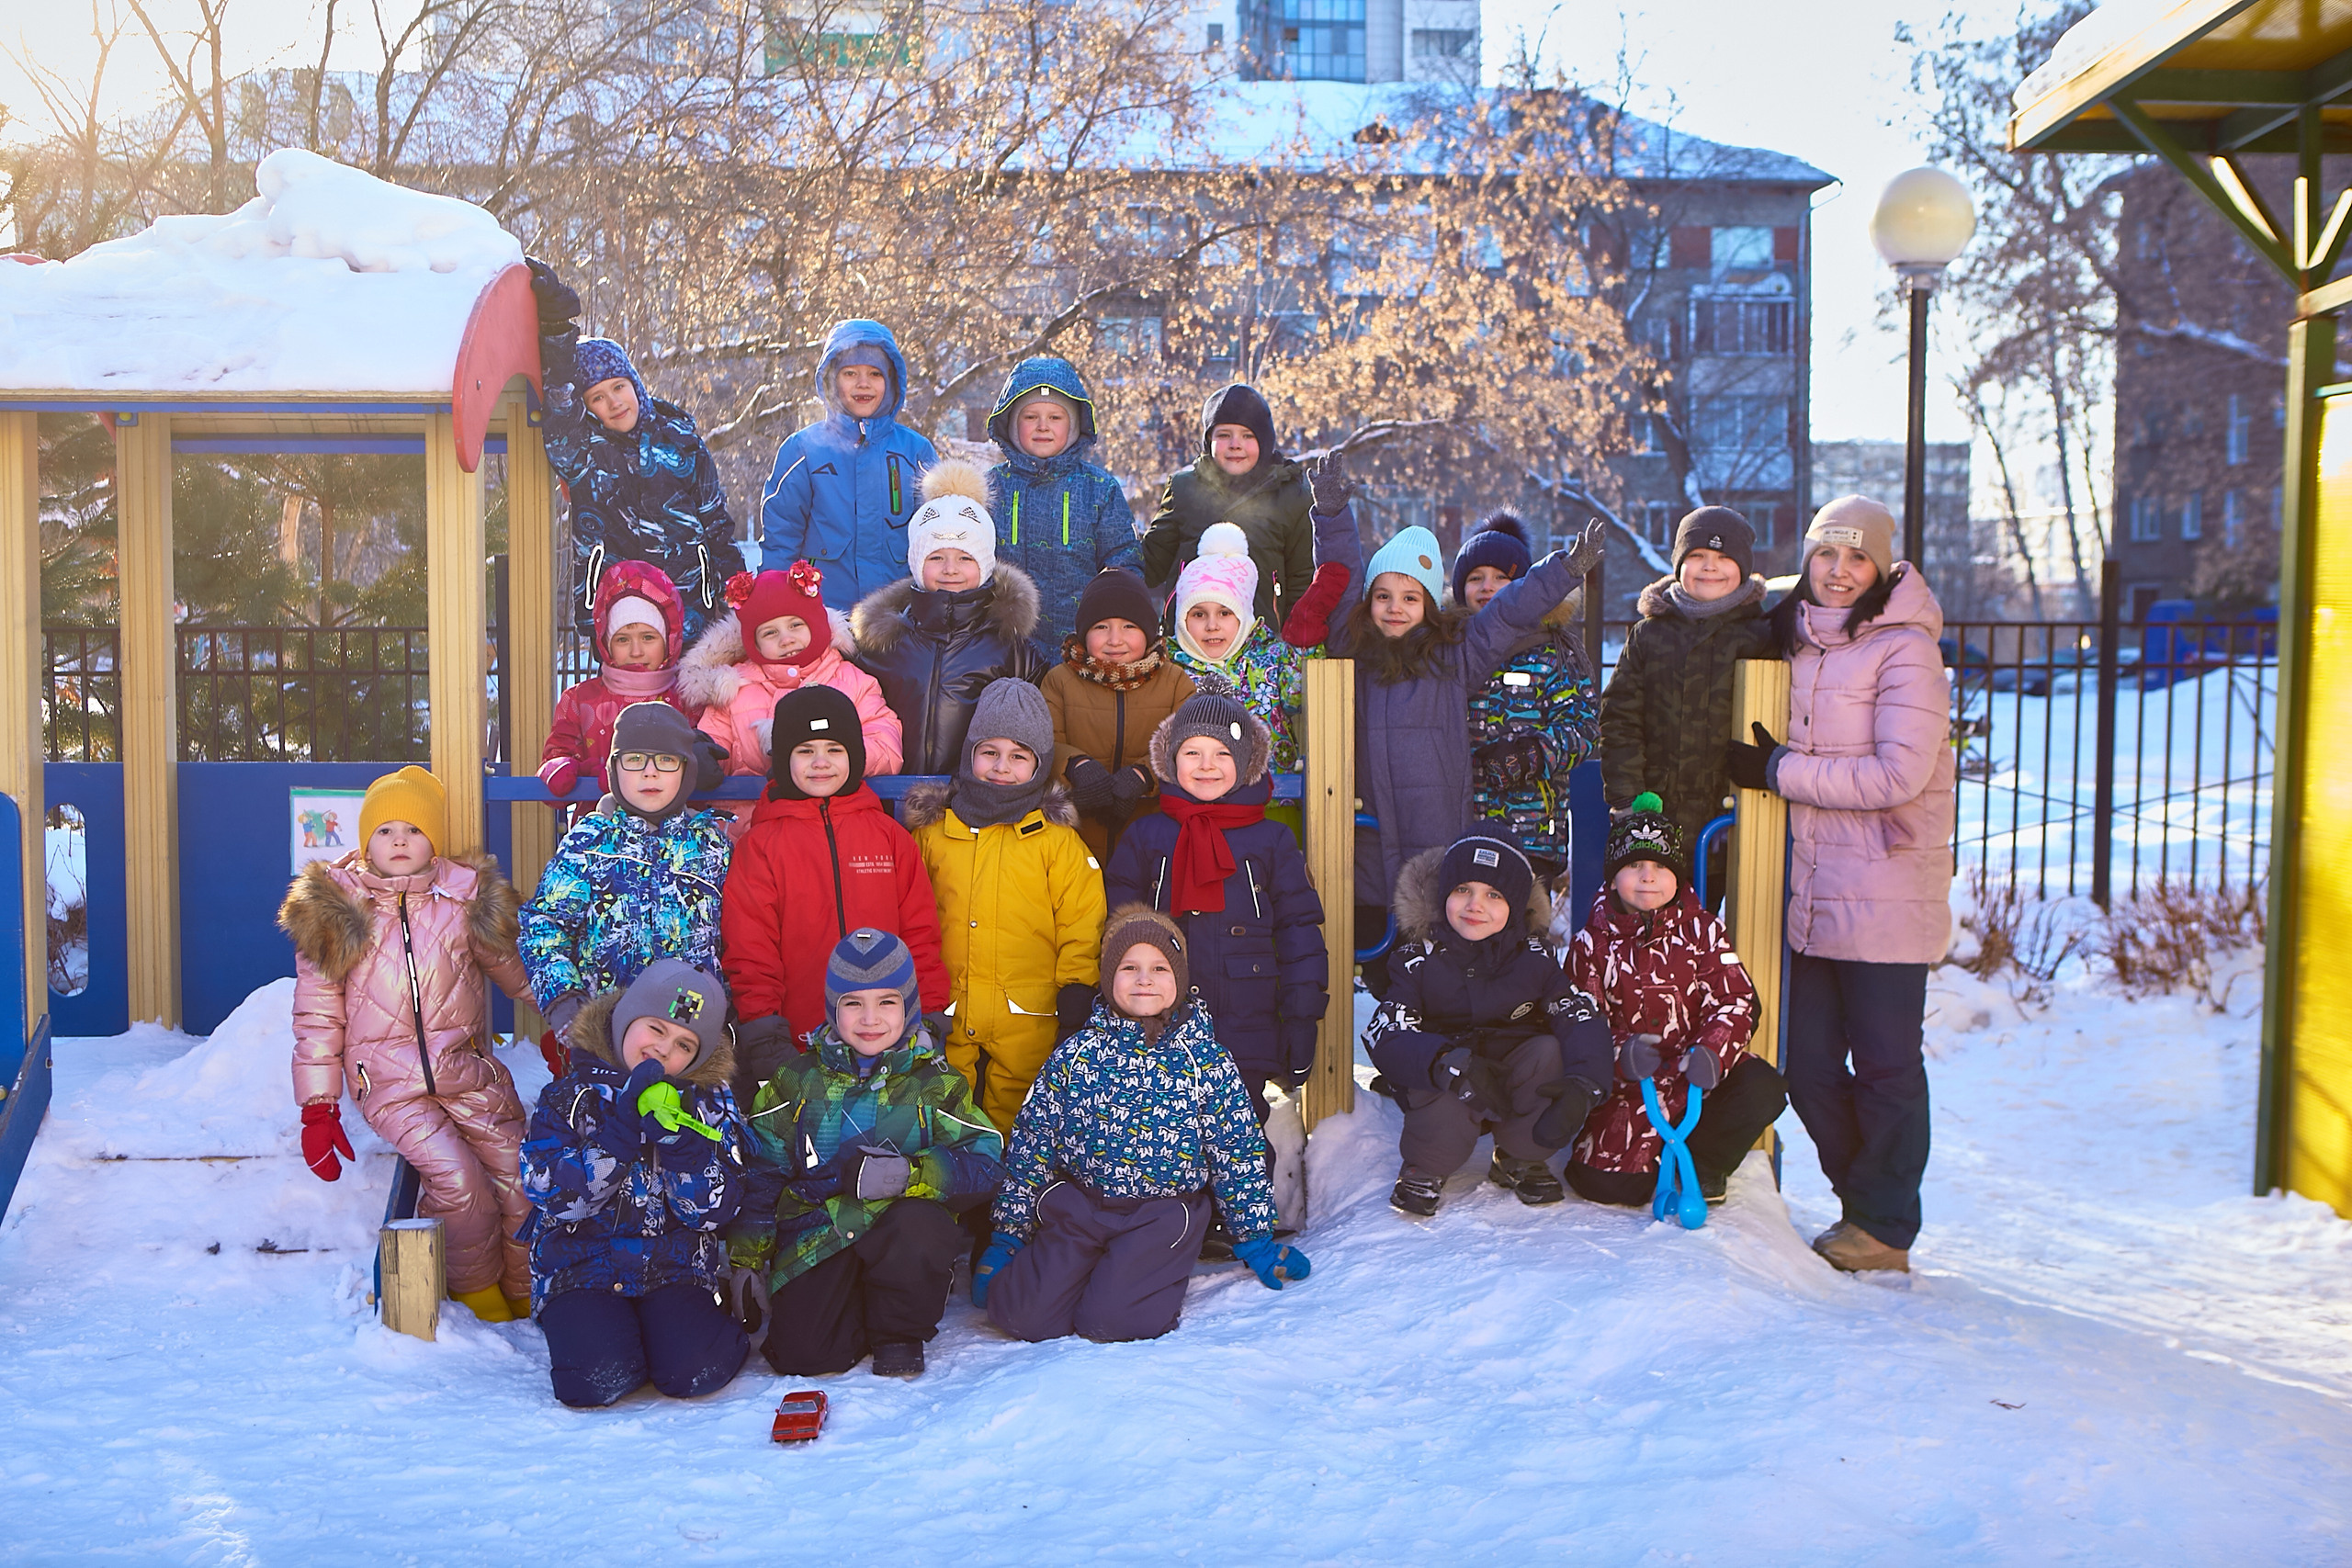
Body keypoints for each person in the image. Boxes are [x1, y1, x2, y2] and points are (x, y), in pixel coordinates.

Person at [1725, 496, 1954, 1274]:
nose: (1838, 570)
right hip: (1813, 887)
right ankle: (1865, 1202)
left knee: (1887, 1063)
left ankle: (1884, 1223)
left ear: (1882, 568)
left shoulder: (1905, 651)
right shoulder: (1793, 640)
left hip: (1887, 884)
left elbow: (1900, 773)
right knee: (1809, 1060)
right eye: (1826, 553)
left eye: (1856, 558)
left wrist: (1778, 772)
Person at [974, 908, 1311, 1343]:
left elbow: (1238, 1155)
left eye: (1159, 968)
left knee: (1111, 1322)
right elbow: (1033, 1141)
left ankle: (1123, 1278)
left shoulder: (1205, 1061)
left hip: (1163, 1215)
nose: (1144, 979)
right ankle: (1081, 1270)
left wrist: (1255, 1239)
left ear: (1180, 979)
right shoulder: (1077, 1055)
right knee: (1021, 1317)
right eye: (1129, 968)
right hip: (1082, 1206)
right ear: (1109, 978)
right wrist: (1007, 1237)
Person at [279, 766, 536, 1322]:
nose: (400, 840)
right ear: (364, 841)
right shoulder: (339, 910)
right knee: (459, 1184)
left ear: (434, 842)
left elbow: (515, 970)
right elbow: (317, 1013)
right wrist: (318, 1107)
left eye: (414, 830)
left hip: (464, 1069)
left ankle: (524, 1286)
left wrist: (564, 1025)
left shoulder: (465, 899)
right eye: (385, 830)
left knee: (521, 1175)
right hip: (389, 1085)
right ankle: (475, 1289)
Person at [1328, 491, 1602, 995]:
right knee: (1378, 961)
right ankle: (1394, 1054)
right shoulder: (1358, 655)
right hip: (1371, 838)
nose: (1394, 608)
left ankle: (1436, 1060)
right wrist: (1330, 515)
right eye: (1383, 596)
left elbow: (1509, 613)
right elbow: (1341, 579)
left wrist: (1562, 571)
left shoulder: (1454, 658)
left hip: (1436, 839)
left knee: (1438, 965)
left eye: (1410, 598)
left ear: (1431, 606)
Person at [731, 929, 1005, 1380]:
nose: (870, 1019)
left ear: (909, 1007)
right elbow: (763, 1173)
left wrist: (913, 1174)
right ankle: (848, 1309)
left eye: (887, 1002)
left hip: (900, 1235)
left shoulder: (935, 1083)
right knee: (805, 1357)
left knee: (920, 1227)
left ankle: (899, 1328)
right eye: (853, 1004)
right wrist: (746, 1261)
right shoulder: (795, 1082)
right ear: (832, 1009)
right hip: (819, 1235)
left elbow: (987, 1163)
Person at [518, 961, 749, 1407]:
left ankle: (673, 1338)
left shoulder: (706, 1108)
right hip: (582, 1271)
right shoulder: (570, 1097)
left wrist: (684, 1149)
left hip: (673, 1269)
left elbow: (719, 1210)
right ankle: (612, 1339)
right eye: (655, 1028)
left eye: (684, 1044)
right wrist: (617, 1138)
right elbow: (551, 1194)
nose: (664, 1049)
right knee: (592, 1381)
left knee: (695, 1371)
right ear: (626, 1020)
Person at [1103, 690, 1327, 1123]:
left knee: (1240, 1138)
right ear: (1170, 760)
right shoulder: (1146, 836)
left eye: (1223, 752)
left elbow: (1300, 934)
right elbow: (1115, 930)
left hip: (1245, 1025)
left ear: (1246, 763)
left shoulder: (1272, 840)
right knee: (1160, 1137)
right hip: (1157, 1027)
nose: (1207, 765)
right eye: (1193, 752)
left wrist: (1301, 1019)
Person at [1363, 833, 1611, 1217]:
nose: (1475, 905)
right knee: (1439, 1080)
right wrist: (1440, 1060)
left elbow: (1578, 1013)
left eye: (1494, 895)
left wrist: (1587, 1083)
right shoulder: (1418, 959)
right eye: (1463, 889)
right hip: (1450, 1075)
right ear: (1443, 893)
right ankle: (1425, 1166)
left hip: (1511, 1072)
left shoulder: (1535, 959)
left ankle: (1520, 1156)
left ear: (1514, 906)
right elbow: (1386, 1031)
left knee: (1549, 1050)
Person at [719, 685, 951, 1091]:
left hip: (887, 1040)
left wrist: (928, 1017)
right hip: (797, 1044)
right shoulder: (760, 846)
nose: (821, 763)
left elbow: (921, 935)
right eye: (805, 751)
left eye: (834, 749)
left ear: (855, 756)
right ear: (784, 759)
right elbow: (750, 949)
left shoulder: (889, 837)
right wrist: (765, 1033)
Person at [903, 678, 1106, 1133]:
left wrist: (1077, 988)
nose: (1001, 767)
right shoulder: (934, 835)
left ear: (1040, 765)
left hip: (1029, 1015)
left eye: (1019, 756)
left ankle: (1016, 1198)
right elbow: (910, 914)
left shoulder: (1057, 843)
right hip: (947, 1011)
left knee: (1025, 1121)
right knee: (940, 1117)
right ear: (969, 754)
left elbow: (1082, 921)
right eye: (988, 752)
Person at [1564, 794, 1787, 1207]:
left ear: (1678, 878)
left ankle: (1704, 1162)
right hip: (1632, 1085)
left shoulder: (1704, 932)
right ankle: (1646, 1159)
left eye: (1660, 867)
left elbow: (1735, 997)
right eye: (1634, 866)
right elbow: (1580, 1022)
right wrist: (1621, 1054)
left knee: (1763, 1087)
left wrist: (1713, 1052)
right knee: (1608, 1188)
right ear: (1613, 879)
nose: (1648, 876)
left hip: (1695, 1078)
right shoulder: (1590, 944)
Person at [528, 262, 743, 642]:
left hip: (694, 607)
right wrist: (557, 332)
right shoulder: (583, 454)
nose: (613, 402)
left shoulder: (680, 437)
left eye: (618, 387)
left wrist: (737, 592)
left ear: (635, 386)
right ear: (586, 406)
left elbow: (715, 519)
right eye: (597, 396)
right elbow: (560, 409)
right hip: (621, 615)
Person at [519, 703, 732, 1077]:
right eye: (634, 759)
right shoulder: (589, 842)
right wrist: (566, 1002)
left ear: (686, 770)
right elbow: (543, 926)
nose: (649, 772)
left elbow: (737, 936)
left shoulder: (711, 845)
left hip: (687, 1040)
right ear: (614, 769)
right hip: (604, 1039)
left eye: (666, 760)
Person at [1598, 505, 1775, 892]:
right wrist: (1628, 800)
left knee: (1724, 933)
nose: (1710, 567)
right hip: (1658, 815)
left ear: (1743, 568)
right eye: (1697, 557)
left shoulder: (1762, 636)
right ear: (1679, 565)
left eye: (1724, 558)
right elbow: (1620, 719)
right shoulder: (1650, 635)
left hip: (1731, 817)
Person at [850, 457, 1050, 773]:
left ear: (985, 564)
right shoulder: (881, 645)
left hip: (973, 807)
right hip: (893, 801)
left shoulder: (1012, 649)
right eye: (936, 557)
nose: (950, 569)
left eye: (965, 558)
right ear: (917, 564)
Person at [1162, 456, 1357, 776]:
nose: (1212, 625)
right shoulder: (1170, 668)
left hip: (1273, 798)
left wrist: (1305, 637)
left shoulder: (1269, 657)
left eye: (1225, 612)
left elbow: (1299, 692)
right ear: (1182, 619)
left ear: (1244, 614)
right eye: (1199, 613)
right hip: (1198, 800)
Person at [1453, 512, 1601, 885]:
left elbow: (1584, 727)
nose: (1487, 588)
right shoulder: (1448, 646)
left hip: (1532, 832)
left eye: (1502, 578)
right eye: (1475, 578)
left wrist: (1534, 753)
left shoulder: (1552, 650)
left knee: (1523, 930)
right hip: (1458, 827)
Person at [757, 319, 936, 612]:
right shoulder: (803, 449)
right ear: (831, 380)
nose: (863, 383)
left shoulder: (915, 452)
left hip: (899, 621)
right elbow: (781, 539)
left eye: (875, 374)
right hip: (823, 618)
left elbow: (936, 536)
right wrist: (775, 609)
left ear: (891, 382)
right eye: (850, 373)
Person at [678, 559, 902, 788]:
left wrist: (835, 754)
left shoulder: (852, 682)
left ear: (815, 625)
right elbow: (717, 743)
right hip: (750, 817)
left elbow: (887, 746)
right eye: (770, 632)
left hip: (831, 813)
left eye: (796, 625)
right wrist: (702, 757)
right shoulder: (733, 690)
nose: (786, 639)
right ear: (753, 642)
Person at [1041, 567, 1195, 857]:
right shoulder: (1059, 681)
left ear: (1148, 632)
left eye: (1129, 626)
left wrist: (1143, 774)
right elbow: (1044, 742)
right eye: (1101, 627)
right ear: (1084, 633)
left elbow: (1188, 743)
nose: (1115, 639)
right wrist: (1075, 765)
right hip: (1072, 840)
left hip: (1154, 839)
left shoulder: (1175, 682)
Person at [984, 356, 1145, 635]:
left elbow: (1123, 561)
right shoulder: (991, 487)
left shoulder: (1099, 488)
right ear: (1011, 423)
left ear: (1071, 425)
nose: (1042, 426)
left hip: (1080, 643)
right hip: (1003, 645)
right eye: (1030, 417)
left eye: (1055, 417)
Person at [1142, 383, 1313, 627]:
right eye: (1224, 435)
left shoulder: (1290, 496)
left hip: (1261, 642)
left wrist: (1292, 637)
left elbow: (1302, 578)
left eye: (1247, 436)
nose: (1235, 444)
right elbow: (1150, 564)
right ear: (1209, 440)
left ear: (1264, 442)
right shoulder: (1184, 490)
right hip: (1190, 640)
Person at [536, 561, 701, 813]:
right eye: (623, 639)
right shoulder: (580, 701)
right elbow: (556, 764)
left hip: (674, 839)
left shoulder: (689, 697)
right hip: (600, 839)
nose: (636, 651)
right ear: (606, 643)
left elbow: (708, 765)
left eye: (648, 637)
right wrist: (566, 769)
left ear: (669, 639)